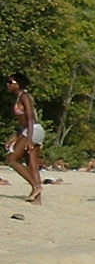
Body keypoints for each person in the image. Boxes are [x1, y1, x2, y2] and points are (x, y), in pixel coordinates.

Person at [5, 72, 45, 204]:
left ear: (18, 84)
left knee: (12, 159)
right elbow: (23, 124)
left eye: (10, 82)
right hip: (30, 131)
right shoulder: (19, 97)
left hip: (32, 130)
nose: (8, 84)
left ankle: (36, 186)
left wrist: (28, 140)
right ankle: (37, 199)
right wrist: (15, 137)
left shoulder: (25, 97)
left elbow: (30, 119)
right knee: (32, 166)